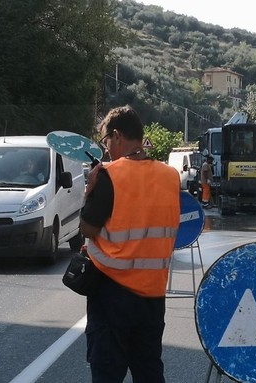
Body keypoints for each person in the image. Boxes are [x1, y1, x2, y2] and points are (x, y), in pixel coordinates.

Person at [81, 105, 181, 383]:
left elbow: (88, 227)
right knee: (148, 369)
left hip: (112, 291)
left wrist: (89, 192)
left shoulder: (108, 175)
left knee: (107, 371)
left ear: (117, 136)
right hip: (153, 294)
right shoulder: (170, 176)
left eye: (106, 141)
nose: (107, 149)